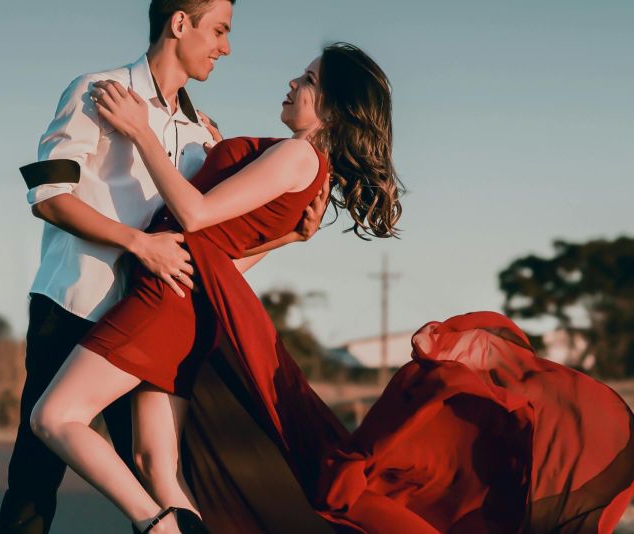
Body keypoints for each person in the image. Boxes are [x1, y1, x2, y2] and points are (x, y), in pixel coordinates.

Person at [30, 42, 403, 534]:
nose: (293, 83)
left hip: (162, 305)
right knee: (156, 467)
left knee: (54, 417)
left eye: (309, 80)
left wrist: (141, 130)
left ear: (334, 108)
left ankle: (155, 527)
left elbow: (195, 215)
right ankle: (169, 522)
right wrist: (289, 236)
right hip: (188, 307)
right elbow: (220, 265)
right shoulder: (302, 163)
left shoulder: (298, 154)